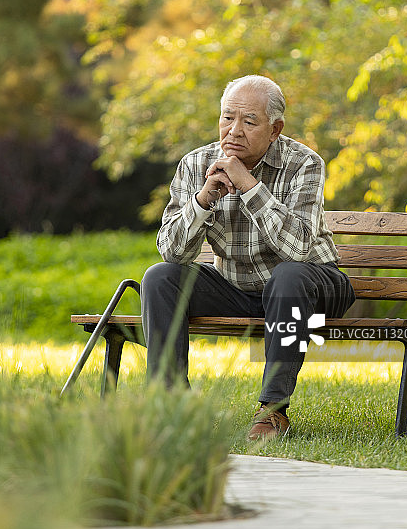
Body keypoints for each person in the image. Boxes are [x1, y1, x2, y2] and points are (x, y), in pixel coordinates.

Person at [141, 75, 355, 439]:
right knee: (160, 277)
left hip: (311, 285)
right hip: (236, 287)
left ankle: (272, 412)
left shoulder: (304, 163)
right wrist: (203, 200)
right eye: (228, 118)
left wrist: (248, 186)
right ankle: (170, 406)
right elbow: (173, 252)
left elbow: (298, 250)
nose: (234, 131)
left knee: (288, 276)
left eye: (249, 121)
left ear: (275, 130)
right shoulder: (196, 164)